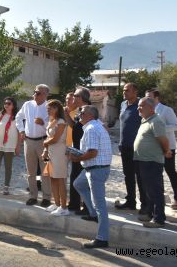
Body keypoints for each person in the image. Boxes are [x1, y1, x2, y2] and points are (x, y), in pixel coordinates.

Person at [70, 105, 113, 249]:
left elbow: (93, 153)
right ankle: (93, 214)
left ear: (89, 115)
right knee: (78, 184)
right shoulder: (95, 126)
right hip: (94, 168)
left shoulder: (91, 129)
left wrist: (77, 158)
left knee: (100, 205)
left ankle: (102, 238)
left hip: (96, 170)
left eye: (81, 112)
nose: (79, 114)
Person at [134, 97, 172, 228]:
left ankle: (159, 219)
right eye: (138, 106)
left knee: (155, 190)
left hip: (152, 161)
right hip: (143, 160)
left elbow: (164, 140)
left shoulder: (156, 120)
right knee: (148, 190)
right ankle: (150, 214)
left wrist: (166, 151)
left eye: (141, 106)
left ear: (151, 108)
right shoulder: (145, 121)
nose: (138, 108)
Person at [145, 89, 177, 210]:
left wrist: (160, 128)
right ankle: (159, 200)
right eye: (146, 97)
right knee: (156, 174)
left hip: (168, 146)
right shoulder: (147, 110)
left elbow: (176, 126)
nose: (147, 99)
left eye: (149, 97)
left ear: (157, 97)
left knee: (171, 172)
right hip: (154, 147)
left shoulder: (167, 110)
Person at [16, 84, 52, 207]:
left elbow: (54, 126)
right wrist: (21, 130)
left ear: (46, 95)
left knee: (45, 171)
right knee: (31, 171)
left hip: (44, 141)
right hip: (29, 141)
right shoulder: (27, 105)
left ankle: (47, 197)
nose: (36, 94)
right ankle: (33, 196)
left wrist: (43, 123)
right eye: (35, 92)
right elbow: (18, 117)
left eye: (39, 93)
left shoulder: (49, 107)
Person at [115, 83, 147, 214]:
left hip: (138, 147)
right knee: (128, 175)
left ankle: (145, 204)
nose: (124, 92)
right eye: (123, 90)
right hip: (125, 146)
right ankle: (130, 201)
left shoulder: (141, 105)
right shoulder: (123, 104)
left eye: (127, 90)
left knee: (140, 176)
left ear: (135, 91)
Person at [65, 87, 91, 215]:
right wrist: (66, 114)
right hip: (76, 149)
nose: (73, 98)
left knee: (85, 180)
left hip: (86, 151)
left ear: (81, 98)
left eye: (75, 95)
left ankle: (87, 208)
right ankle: (74, 204)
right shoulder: (78, 111)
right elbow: (75, 127)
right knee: (74, 177)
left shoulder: (90, 111)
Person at [42, 99, 68, 216]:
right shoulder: (52, 121)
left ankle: (64, 207)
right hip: (52, 152)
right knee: (53, 178)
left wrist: (45, 143)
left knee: (60, 179)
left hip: (59, 152)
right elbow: (49, 139)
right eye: (47, 108)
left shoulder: (61, 121)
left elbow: (56, 138)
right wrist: (46, 150)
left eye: (49, 108)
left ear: (56, 108)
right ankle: (57, 204)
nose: (47, 110)